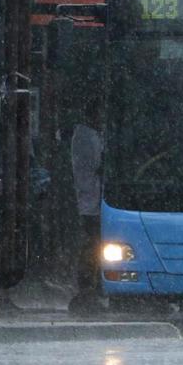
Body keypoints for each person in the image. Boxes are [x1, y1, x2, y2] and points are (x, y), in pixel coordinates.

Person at [68, 105, 105, 316]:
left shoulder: (84, 134)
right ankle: (87, 287)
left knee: (94, 243)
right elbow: (99, 164)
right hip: (91, 201)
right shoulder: (87, 136)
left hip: (90, 199)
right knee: (94, 244)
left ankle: (90, 286)